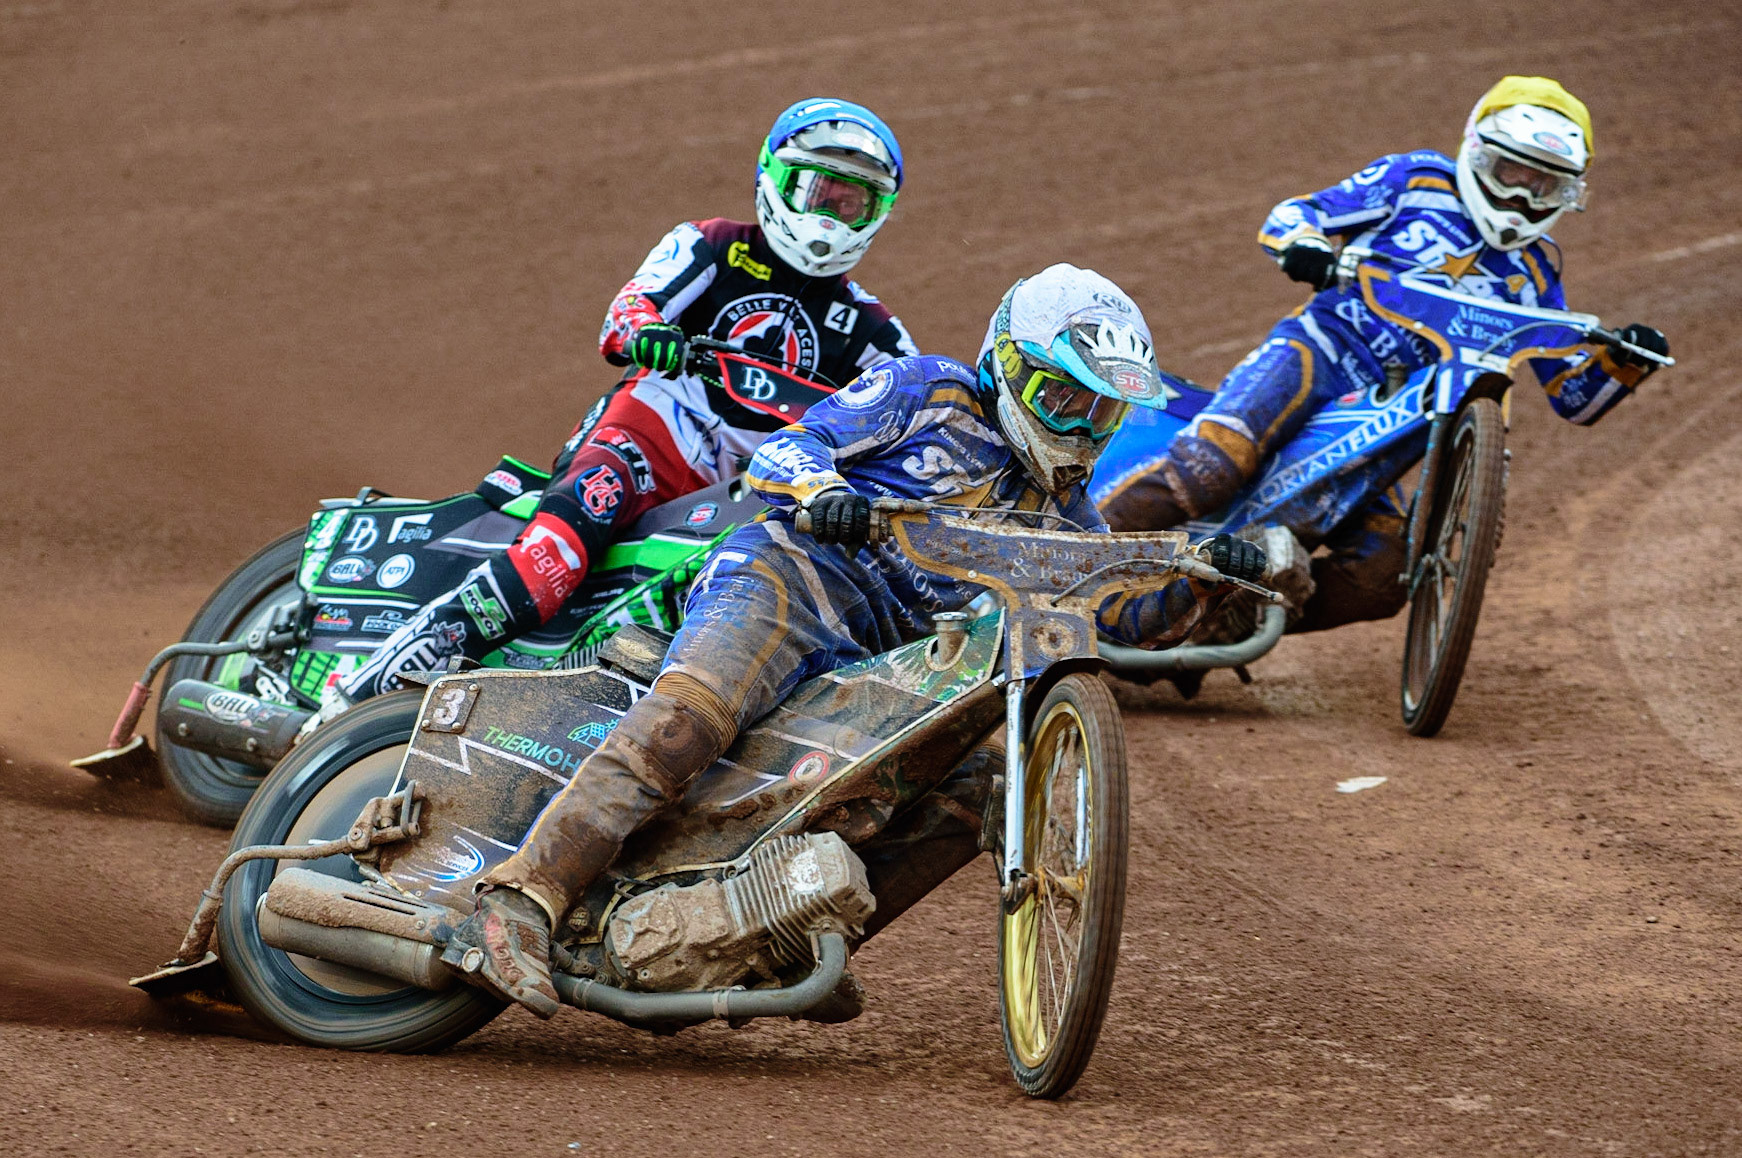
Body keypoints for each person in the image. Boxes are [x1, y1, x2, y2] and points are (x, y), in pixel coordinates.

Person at [450, 264, 1267, 1015]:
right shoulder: (930, 390)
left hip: (887, 659)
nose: (1084, 429)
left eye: (1103, 411)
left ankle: (787, 939)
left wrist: (1202, 580)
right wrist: (824, 489)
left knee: (983, 776)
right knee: (687, 722)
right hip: (789, 581)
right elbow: (790, 447)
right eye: (1066, 400)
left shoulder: (1063, 512)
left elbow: (1114, 610)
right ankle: (520, 899)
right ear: (1011, 368)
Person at [330, 98, 919, 706]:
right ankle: (358, 698)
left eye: (852, 202)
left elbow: (912, 411)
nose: (829, 214)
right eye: (815, 190)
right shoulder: (711, 246)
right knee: (550, 559)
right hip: (651, 435)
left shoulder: (875, 330)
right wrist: (647, 331)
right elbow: (628, 309)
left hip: (749, 489)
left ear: (877, 214)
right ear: (775, 179)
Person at [1099, 76, 1670, 633]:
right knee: (1212, 468)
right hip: (1320, 352)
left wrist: (1626, 362)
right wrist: (1306, 250)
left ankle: (1231, 614)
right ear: (1476, 152)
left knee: (1383, 573)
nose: (1520, 197)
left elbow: (1572, 395)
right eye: (1510, 173)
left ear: (1567, 194)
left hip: (1398, 418)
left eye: (1541, 185)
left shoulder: (1538, 269)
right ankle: (1070, 562)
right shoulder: (1416, 179)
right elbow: (1297, 214)